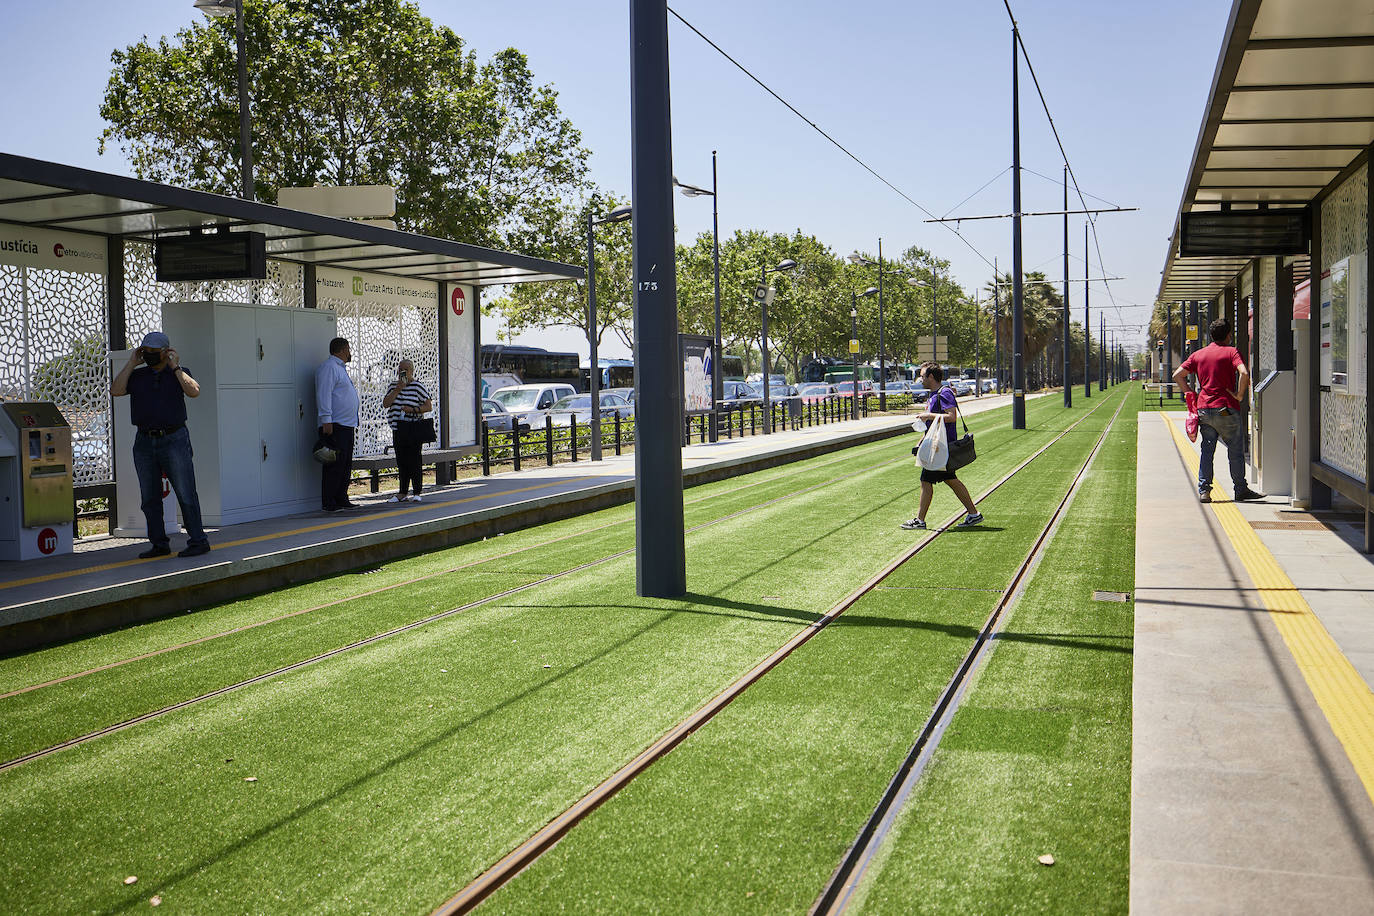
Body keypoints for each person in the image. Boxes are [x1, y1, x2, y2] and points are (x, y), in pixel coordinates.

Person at [110, 331, 212, 558]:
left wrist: (175, 367)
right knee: (150, 496)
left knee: (185, 492)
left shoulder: (179, 374)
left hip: (174, 439)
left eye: (154, 353)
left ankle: (198, 540)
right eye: (145, 352)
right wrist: (131, 363)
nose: (149, 356)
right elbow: (116, 390)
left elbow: (194, 391)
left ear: (166, 352)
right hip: (145, 440)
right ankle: (159, 543)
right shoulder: (137, 375)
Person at [1173, 318, 1262, 503]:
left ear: (1212, 335)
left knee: (1207, 450)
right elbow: (1244, 373)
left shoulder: (1199, 354)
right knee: (1235, 450)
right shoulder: (1231, 352)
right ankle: (1240, 489)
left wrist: (1190, 394)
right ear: (1229, 335)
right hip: (1225, 409)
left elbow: (1177, 375)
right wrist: (1239, 394)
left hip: (1204, 409)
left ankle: (1204, 491)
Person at [901, 361, 983, 531]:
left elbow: (951, 416)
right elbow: (934, 424)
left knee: (927, 480)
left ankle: (920, 520)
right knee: (948, 479)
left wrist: (927, 415)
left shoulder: (943, 393)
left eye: (922, 376)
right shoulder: (933, 395)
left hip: (941, 447)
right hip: (936, 447)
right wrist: (922, 441)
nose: (920, 379)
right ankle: (973, 514)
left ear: (931, 376)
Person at [316, 336, 360, 512]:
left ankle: (341, 497)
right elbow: (324, 394)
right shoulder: (329, 368)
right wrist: (326, 419)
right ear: (342, 350)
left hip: (346, 425)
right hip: (335, 425)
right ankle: (329, 501)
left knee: (345, 464)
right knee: (334, 465)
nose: (350, 353)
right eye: (348, 349)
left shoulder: (340, 368)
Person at [382, 359, 433, 503]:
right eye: (399, 370)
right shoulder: (393, 386)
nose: (401, 373)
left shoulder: (418, 386)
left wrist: (413, 410)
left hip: (413, 427)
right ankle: (402, 492)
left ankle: (417, 491)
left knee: (415, 460)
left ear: (411, 371)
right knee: (402, 461)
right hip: (398, 428)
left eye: (404, 370)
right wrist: (398, 389)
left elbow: (428, 406)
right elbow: (386, 404)